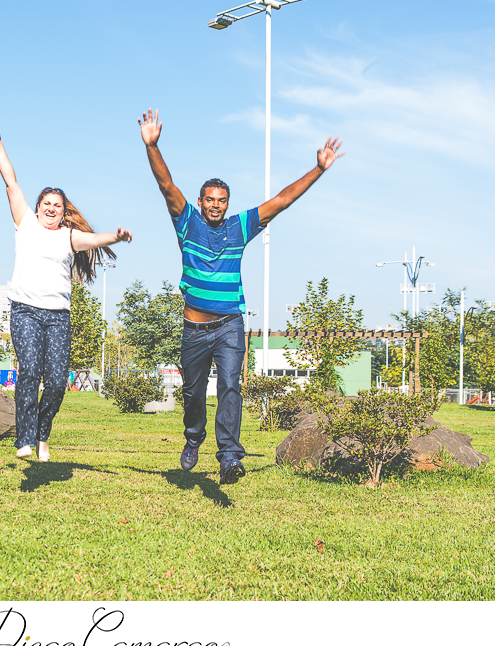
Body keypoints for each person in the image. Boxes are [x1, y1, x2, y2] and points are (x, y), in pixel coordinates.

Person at [138, 108, 344, 485]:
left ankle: (230, 457)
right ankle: (193, 436)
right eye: (210, 199)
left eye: (222, 200)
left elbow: (281, 201)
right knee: (193, 392)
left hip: (231, 323)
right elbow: (167, 185)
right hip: (194, 328)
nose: (216, 205)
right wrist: (153, 146)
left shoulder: (239, 227)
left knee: (231, 385)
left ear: (227, 204)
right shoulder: (186, 223)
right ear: (200, 202)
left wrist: (318, 170)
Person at [0, 114, 133, 463]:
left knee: (55, 382)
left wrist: (118, 236)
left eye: (57, 206)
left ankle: (42, 433)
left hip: (58, 318)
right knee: (30, 371)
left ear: (63, 213)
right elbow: (10, 181)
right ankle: (24, 438)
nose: (51, 209)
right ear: (36, 209)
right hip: (24, 310)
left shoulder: (69, 236)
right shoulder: (24, 223)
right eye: (46, 205)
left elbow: (97, 238)